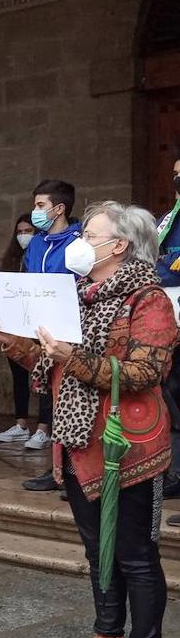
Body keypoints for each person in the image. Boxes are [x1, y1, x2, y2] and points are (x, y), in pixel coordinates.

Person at [0, 201, 173, 638]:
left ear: (119, 246)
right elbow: (52, 366)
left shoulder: (148, 299)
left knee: (135, 554)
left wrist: (75, 357)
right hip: (77, 441)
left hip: (124, 448)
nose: (78, 244)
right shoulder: (78, 295)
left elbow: (146, 372)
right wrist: (14, 341)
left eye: (89, 235)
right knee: (98, 552)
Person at [21, 179, 83, 491]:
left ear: (59, 208)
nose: (35, 212)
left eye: (40, 206)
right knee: (53, 403)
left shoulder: (80, 242)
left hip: (74, 336)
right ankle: (57, 469)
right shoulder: (36, 243)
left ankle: (77, 472)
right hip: (43, 333)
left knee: (75, 403)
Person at [0, 214, 52, 445]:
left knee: (44, 377)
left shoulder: (40, 257)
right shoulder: (12, 260)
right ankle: (21, 423)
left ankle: (44, 428)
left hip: (40, 325)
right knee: (19, 376)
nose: (23, 236)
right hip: (16, 325)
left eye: (28, 231)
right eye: (19, 232)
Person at [153, 159, 180, 500]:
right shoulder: (167, 219)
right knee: (172, 391)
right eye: (175, 173)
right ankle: (176, 471)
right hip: (170, 311)